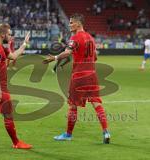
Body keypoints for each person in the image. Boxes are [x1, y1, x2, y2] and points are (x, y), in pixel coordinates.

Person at [43, 13, 110, 144]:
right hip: (92, 74)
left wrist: (55, 58)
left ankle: (68, 134)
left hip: (79, 75)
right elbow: (95, 57)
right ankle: (106, 132)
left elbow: (68, 52)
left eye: (71, 22)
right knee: (96, 103)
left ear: (78, 24)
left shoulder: (75, 37)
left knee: (73, 105)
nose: (69, 25)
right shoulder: (91, 38)